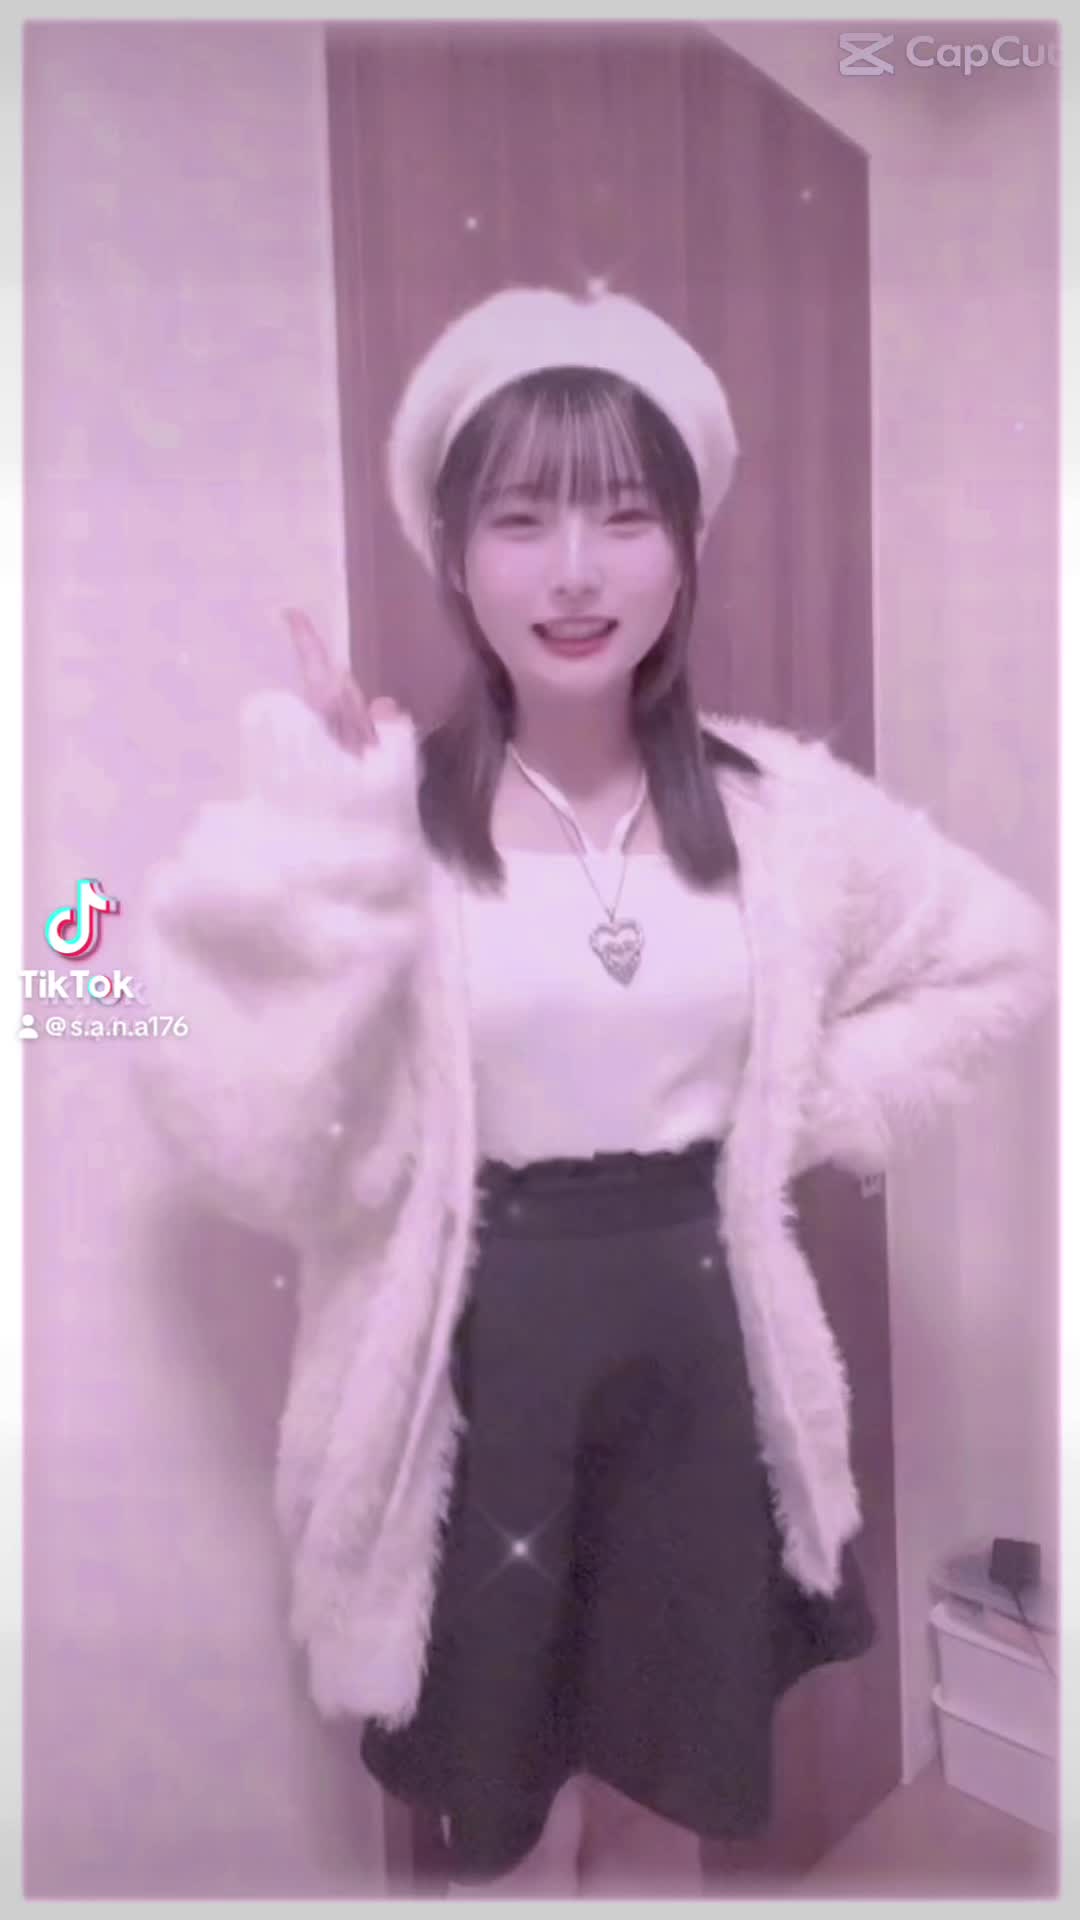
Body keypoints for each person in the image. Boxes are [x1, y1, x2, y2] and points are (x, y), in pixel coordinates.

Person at [133, 285, 1055, 1897]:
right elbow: (240, 1128)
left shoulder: (787, 815)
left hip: (696, 1368)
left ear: (685, 550)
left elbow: (1001, 956)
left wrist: (791, 1111)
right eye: (522, 519)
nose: (574, 570)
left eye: (624, 516)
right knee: (499, 1827)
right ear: (456, 554)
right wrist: (328, 835)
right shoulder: (385, 818)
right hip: (476, 1373)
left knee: (660, 1807)